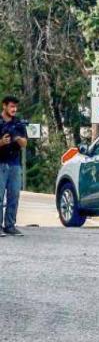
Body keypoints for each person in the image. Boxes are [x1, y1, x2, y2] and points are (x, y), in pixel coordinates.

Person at [0, 96, 27, 237]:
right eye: (11, 106)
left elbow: (25, 143)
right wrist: (1, 142)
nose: (14, 109)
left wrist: (18, 138)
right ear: (4, 106)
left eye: (15, 107)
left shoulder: (18, 124)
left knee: (14, 196)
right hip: (0, 163)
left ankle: (10, 225)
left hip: (14, 164)